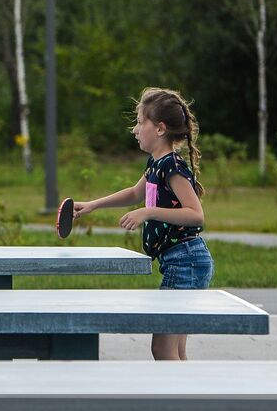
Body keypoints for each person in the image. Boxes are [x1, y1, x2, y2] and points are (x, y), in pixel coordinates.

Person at [72, 87, 212, 361]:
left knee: (163, 348)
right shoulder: (157, 164)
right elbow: (135, 193)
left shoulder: (173, 166)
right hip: (181, 261)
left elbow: (196, 214)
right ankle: (189, 400)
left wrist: (148, 212)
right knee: (176, 350)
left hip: (187, 261)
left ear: (159, 129)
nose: (134, 129)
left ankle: (179, 402)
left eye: (139, 122)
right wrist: (93, 204)